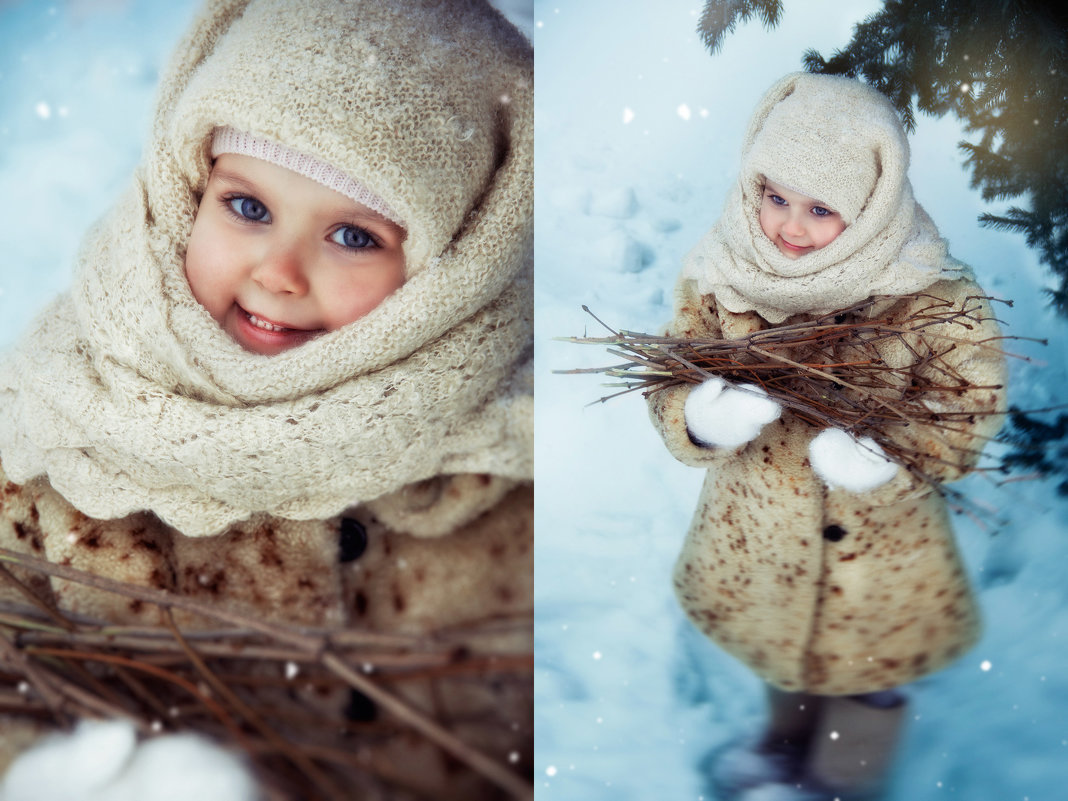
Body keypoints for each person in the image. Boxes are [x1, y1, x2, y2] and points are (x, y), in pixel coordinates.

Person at [0, 1, 532, 799]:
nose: (279, 272)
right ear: (188, 191)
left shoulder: (502, 469)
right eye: (247, 207)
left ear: (450, 268)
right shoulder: (61, 412)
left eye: (353, 235)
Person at [648, 73, 1006, 800]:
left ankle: (842, 782)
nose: (789, 226)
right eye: (774, 195)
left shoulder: (930, 293)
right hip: (759, 529)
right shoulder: (722, 271)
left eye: (822, 209)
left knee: (866, 674)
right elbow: (671, 368)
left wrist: (891, 455)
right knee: (781, 650)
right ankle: (783, 749)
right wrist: (696, 414)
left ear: (873, 206)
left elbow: (970, 403)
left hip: (880, 549)